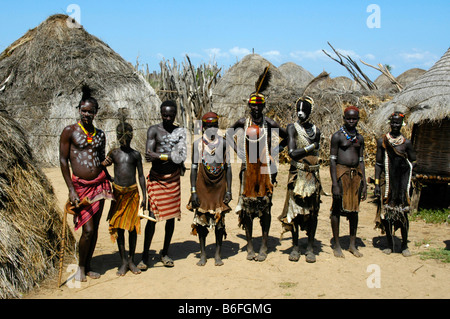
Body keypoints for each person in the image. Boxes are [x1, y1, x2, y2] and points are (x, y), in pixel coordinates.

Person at [229, 66, 287, 262]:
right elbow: (228, 135)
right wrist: (238, 152)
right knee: (247, 207)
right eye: (253, 106)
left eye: (259, 106)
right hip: (247, 169)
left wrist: (274, 153)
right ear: (249, 106)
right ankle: (250, 246)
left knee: (266, 206)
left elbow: (285, 138)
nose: (256, 109)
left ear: (263, 106)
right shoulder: (242, 122)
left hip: (265, 170)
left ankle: (263, 245)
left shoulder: (269, 124)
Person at [59, 86, 113, 282]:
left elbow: (99, 160)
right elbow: (63, 160)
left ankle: (88, 265)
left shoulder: (100, 134)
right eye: (84, 110)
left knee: (95, 228)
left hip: (100, 184)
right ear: (79, 110)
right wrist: (71, 190)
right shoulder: (69, 131)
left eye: (90, 111)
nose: (87, 114)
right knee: (87, 229)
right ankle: (80, 267)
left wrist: (107, 169)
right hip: (80, 188)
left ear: (96, 113)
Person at [137, 100, 187, 269]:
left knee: (171, 217)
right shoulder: (154, 130)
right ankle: (144, 256)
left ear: (175, 115)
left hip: (173, 179)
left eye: (170, 115)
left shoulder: (179, 131)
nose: (167, 118)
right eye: (164, 115)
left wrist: (162, 156)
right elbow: (149, 155)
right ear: (160, 114)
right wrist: (169, 156)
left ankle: (165, 252)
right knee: (152, 217)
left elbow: (181, 157)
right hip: (157, 179)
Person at [278, 97, 322, 263]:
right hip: (297, 174)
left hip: (313, 175)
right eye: (298, 109)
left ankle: (310, 247)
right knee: (295, 211)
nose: (301, 113)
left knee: (313, 211)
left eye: (304, 110)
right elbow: (292, 153)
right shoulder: (292, 128)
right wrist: (311, 147)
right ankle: (295, 246)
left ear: (311, 112)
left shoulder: (316, 131)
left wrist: (311, 149)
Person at [187, 112, 232, 266]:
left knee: (219, 223)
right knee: (201, 222)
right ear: (204, 127)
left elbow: (228, 168)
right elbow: (193, 168)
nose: (212, 129)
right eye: (208, 126)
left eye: (214, 126)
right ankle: (203, 254)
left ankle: (218, 254)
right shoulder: (197, 144)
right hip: (202, 187)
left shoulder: (224, 143)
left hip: (219, 187)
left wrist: (229, 190)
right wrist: (193, 191)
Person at [102, 122, 147, 275]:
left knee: (133, 228)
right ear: (117, 136)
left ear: (132, 135)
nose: (124, 139)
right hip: (118, 194)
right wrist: (110, 178)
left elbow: (141, 175)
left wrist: (144, 196)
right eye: (121, 135)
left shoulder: (135, 155)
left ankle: (131, 260)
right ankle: (123, 261)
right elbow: (102, 166)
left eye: (127, 135)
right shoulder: (114, 153)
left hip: (133, 194)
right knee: (120, 228)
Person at [374, 112, 416, 257]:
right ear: (389, 123)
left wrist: (407, 178)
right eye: (393, 122)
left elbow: (413, 161)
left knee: (403, 214)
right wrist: (377, 184)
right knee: (387, 214)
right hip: (388, 183)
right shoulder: (383, 141)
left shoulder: (407, 143)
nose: (395, 125)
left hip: (402, 184)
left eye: (398, 123)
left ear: (402, 124)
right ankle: (390, 244)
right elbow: (379, 163)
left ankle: (404, 245)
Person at [329, 105, 367, 258]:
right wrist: (334, 183)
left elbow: (362, 160)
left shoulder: (360, 138)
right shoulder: (338, 136)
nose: (351, 121)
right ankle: (337, 245)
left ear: (358, 120)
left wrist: (364, 182)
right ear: (344, 119)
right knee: (337, 209)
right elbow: (332, 160)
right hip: (341, 175)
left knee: (354, 211)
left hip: (355, 177)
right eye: (349, 118)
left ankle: (352, 244)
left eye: (354, 118)